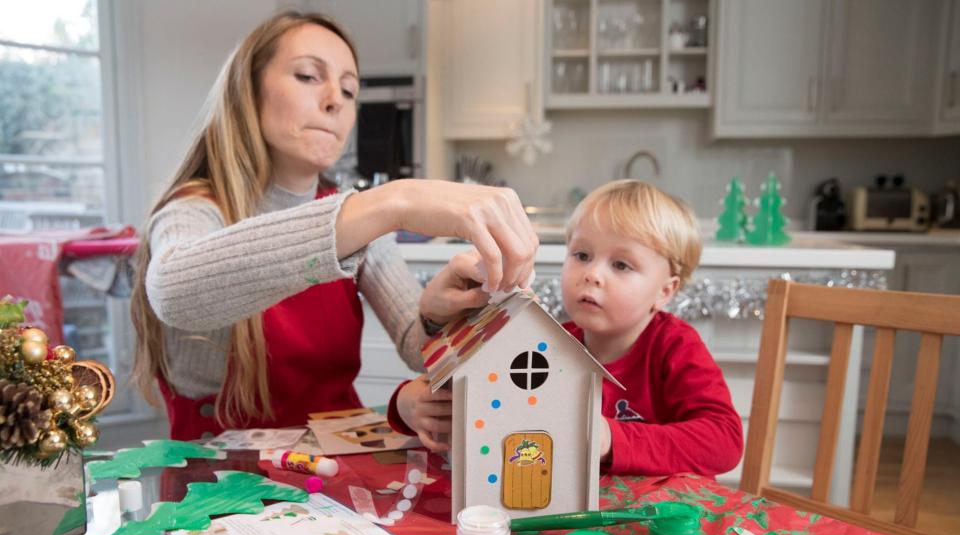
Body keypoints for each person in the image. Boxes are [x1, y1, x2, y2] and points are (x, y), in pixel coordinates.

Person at [130, 11, 537, 441]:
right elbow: (174, 293)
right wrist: (393, 201)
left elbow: (421, 351)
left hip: (339, 465)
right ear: (246, 91)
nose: (335, 101)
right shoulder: (195, 209)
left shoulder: (354, 217)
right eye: (308, 76)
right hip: (225, 477)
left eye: (349, 90)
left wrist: (435, 315)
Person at [393, 180, 742, 477]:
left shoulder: (675, 346)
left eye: (621, 264)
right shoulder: (551, 345)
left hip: (661, 524)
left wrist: (609, 438)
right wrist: (406, 404)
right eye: (582, 255)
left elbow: (724, 441)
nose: (592, 274)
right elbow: (482, 397)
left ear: (665, 290)